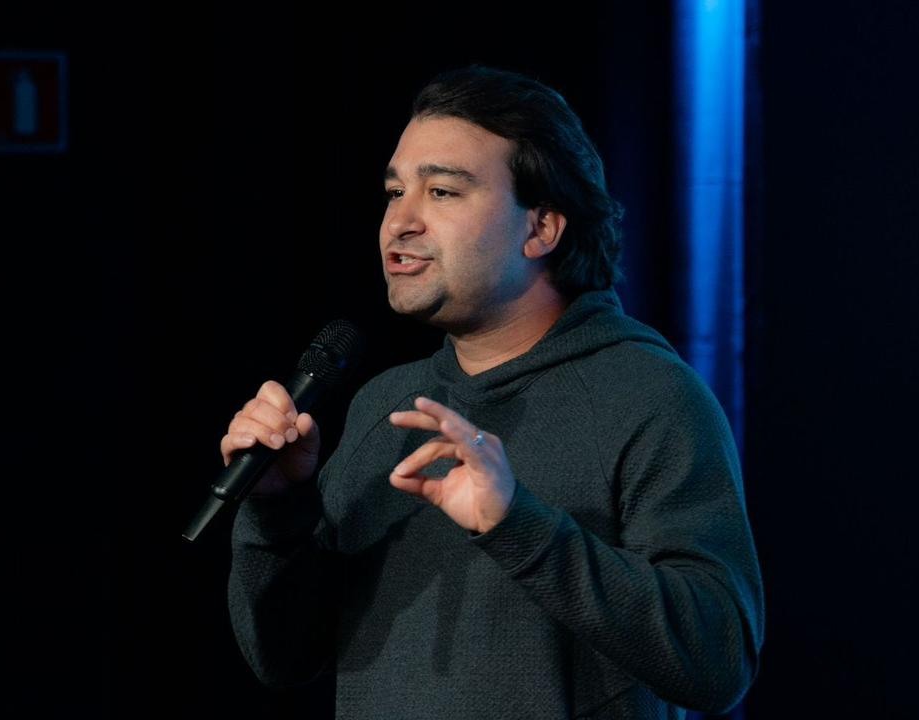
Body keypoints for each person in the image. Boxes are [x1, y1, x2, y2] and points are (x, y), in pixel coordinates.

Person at [223, 65, 764, 719]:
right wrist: (278, 510)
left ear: (541, 228)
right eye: (394, 192)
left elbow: (717, 662)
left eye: (442, 192)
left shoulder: (650, 395)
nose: (399, 222)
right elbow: (284, 658)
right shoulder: (385, 406)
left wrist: (518, 525)